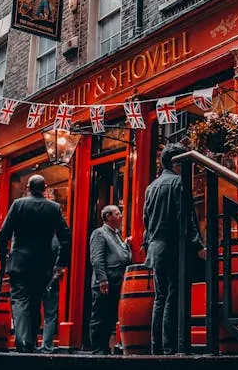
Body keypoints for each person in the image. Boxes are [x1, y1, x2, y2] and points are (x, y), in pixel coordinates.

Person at [0, 174, 71, 353]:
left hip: (19, 262)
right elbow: (66, 237)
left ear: (28, 188)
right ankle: (29, 342)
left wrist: (3, 258)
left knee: (20, 301)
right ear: (45, 188)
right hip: (42, 265)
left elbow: (3, 234)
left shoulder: (18, 205)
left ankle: (23, 341)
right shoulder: (53, 208)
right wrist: (61, 263)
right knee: (35, 302)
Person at [142, 143, 204, 355]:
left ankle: (156, 347)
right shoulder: (178, 183)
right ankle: (171, 348)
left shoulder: (152, 186)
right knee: (173, 297)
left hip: (156, 249)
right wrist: (198, 245)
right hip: (174, 249)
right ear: (176, 162)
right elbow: (185, 218)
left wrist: (147, 244)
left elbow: (146, 221)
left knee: (160, 298)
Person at [89, 205, 133, 354]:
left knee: (109, 317)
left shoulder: (116, 234)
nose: (120, 216)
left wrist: (126, 246)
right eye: (117, 214)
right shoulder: (99, 233)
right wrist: (102, 280)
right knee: (100, 317)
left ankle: (105, 347)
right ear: (108, 217)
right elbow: (97, 258)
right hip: (105, 283)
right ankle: (98, 349)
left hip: (116, 283)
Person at [39, 234, 62, 353]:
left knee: (31, 312)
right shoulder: (57, 240)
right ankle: (47, 345)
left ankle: (28, 343)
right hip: (51, 280)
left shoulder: (36, 237)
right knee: (50, 315)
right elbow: (60, 261)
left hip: (35, 279)